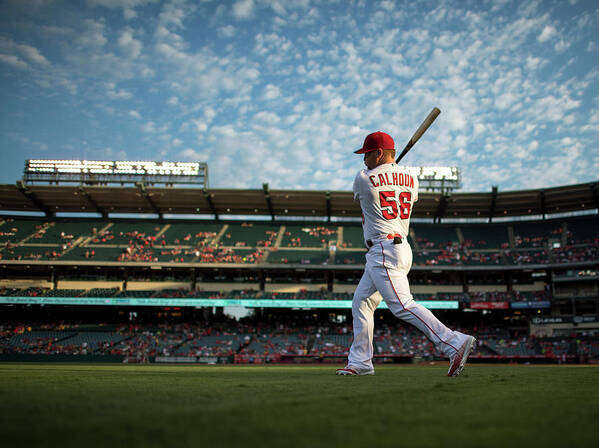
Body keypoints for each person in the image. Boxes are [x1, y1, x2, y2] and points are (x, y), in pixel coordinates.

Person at [336, 131, 476, 377]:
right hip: (399, 248)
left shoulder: (362, 178)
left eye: (367, 154)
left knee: (402, 305)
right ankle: (360, 362)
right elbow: (397, 186)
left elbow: (365, 197)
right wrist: (391, 172)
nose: (363, 159)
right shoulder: (411, 177)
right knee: (362, 302)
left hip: (383, 249)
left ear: (379, 153)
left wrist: (382, 173)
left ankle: (453, 342)